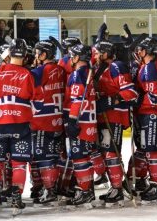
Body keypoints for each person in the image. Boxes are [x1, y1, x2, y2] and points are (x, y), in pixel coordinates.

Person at [0, 38, 35, 215]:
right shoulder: (28, 74)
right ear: (25, 55)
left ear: (9, 53)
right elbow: (36, 102)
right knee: (19, 163)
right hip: (21, 124)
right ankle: (17, 197)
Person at [93, 40, 138, 205]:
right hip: (103, 115)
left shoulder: (116, 66)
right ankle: (115, 186)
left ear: (105, 54)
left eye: (98, 53)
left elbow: (130, 91)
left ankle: (117, 189)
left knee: (111, 153)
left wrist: (111, 100)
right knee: (105, 153)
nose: (95, 56)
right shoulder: (100, 68)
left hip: (114, 117)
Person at [30, 39, 66, 204]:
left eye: (37, 53)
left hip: (42, 120)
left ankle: (50, 190)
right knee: (55, 156)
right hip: (59, 120)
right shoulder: (61, 70)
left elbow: (28, 91)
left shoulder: (39, 72)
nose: (35, 56)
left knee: (44, 157)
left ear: (44, 55)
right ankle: (56, 187)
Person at [131, 37, 157, 203]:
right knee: (146, 150)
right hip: (146, 114)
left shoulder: (150, 68)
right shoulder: (147, 66)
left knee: (152, 151)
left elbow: (154, 96)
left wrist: (137, 99)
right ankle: (151, 183)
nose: (139, 52)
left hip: (151, 114)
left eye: (141, 49)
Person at [64, 43, 98, 206]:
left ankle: (85, 192)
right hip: (90, 122)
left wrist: (71, 121)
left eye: (72, 56)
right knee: (85, 157)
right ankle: (88, 190)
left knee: (79, 157)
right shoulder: (89, 73)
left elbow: (77, 100)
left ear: (77, 57)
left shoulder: (78, 74)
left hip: (81, 122)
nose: (70, 59)